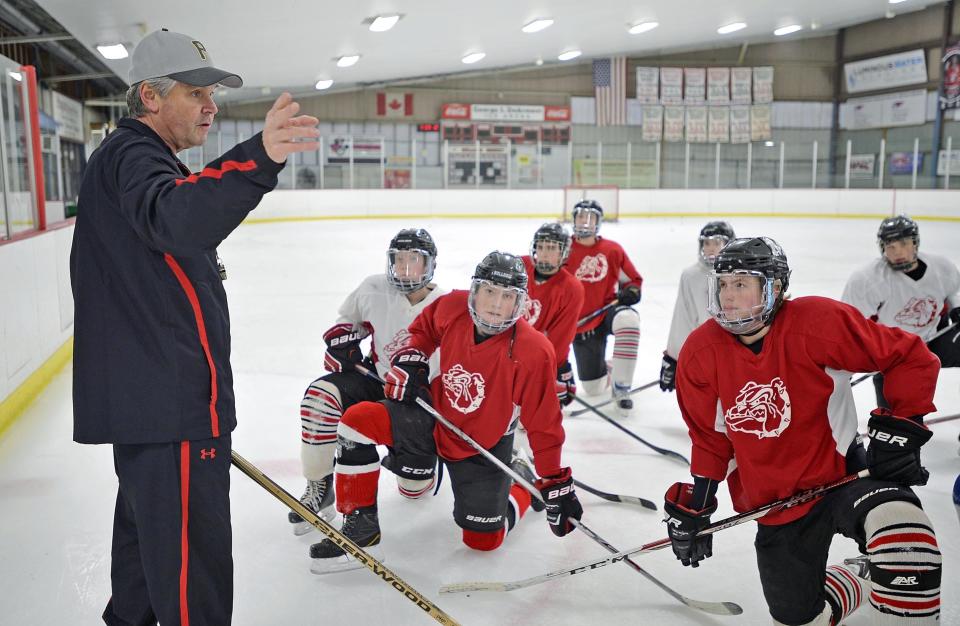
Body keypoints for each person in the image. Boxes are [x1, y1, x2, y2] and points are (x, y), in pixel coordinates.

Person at [70, 29, 319, 626]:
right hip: (170, 407)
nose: (211, 105)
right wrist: (259, 157)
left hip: (152, 408)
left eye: (213, 93)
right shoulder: (134, 157)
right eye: (196, 91)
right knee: (191, 573)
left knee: (144, 561)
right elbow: (177, 219)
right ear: (150, 98)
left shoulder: (132, 158)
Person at [668, 237, 941, 625]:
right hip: (776, 503)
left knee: (904, 536)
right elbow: (711, 439)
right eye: (723, 284)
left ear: (774, 287)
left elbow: (909, 355)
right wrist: (698, 504)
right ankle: (857, 577)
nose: (728, 295)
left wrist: (902, 429)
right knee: (800, 619)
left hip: (844, 478)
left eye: (741, 284)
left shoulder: (817, 322)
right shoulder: (699, 352)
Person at [309, 252, 583, 573]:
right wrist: (413, 357)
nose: (496, 304)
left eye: (508, 296)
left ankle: (521, 481)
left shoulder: (533, 350)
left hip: (483, 444)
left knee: (483, 542)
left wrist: (553, 480)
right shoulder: (452, 307)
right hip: (432, 418)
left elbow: (543, 424)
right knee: (357, 422)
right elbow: (423, 330)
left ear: (520, 302)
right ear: (475, 291)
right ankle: (361, 532)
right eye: (490, 292)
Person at [289, 228, 445, 536]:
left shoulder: (445, 305)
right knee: (320, 398)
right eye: (399, 260)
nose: (405, 268)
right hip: (376, 382)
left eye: (414, 260)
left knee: (413, 489)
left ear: (430, 265)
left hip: (417, 402)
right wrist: (342, 342)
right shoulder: (374, 288)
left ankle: (418, 467)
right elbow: (348, 323)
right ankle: (320, 487)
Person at [842, 214, 960, 409]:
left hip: (934, 339)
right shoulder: (867, 279)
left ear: (915, 243)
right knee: (894, 421)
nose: (898, 252)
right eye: (891, 246)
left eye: (904, 243)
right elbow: (848, 326)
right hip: (892, 353)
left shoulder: (941, 268)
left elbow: (953, 291)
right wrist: (844, 369)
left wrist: (956, 307)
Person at [565, 200, 643, 416]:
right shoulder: (563, 249)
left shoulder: (612, 250)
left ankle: (621, 386)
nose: (585, 221)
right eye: (581, 216)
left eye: (591, 217)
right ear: (574, 219)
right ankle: (611, 368)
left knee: (629, 320)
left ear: (599, 222)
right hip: (578, 323)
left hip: (607, 311)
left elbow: (632, 281)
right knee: (593, 388)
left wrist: (632, 291)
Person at [659, 220, 735, 392]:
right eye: (706, 243)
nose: (710, 248)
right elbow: (683, 318)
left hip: (738, 353)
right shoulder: (691, 276)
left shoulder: (742, 275)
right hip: (707, 354)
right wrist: (673, 358)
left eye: (717, 243)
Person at [520, 223, 585, 409]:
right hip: (505, 346)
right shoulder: (519, 267)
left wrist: (558, 368)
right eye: (540, 247)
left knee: (594, 387)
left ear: (563, 252)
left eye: (551, 248)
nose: (544, 253)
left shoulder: (572, 288)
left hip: (534, 353)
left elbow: (560, 337)